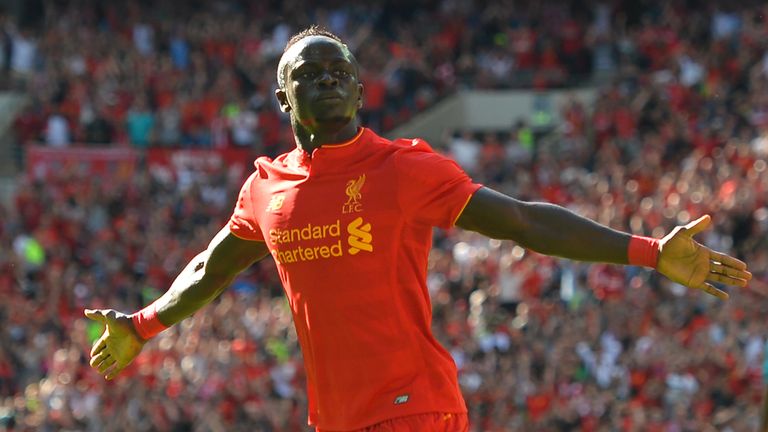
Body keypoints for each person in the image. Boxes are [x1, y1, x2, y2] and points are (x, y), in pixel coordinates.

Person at [84, 26, 752, 432]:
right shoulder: (265, 188)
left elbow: (521, 221)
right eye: (307, 75)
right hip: (334, 419)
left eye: (339, 73)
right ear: (282, 98)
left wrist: (647, 251)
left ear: (359, 93)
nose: (326, 81)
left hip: (415, 408)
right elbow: (213, 266)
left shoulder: (403, 169)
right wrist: (142, 326)